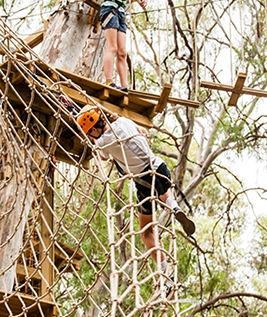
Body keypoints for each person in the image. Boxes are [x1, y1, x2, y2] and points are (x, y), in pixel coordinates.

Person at [77, 106, 196, 272]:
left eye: (90, 134)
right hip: (159, 166)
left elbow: (103, 156)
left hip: (143, 179)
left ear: (95, 129)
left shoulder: (103, 141)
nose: (90, 137)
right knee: (161, 189)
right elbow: (141, 131)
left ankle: (165, 271)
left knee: (146, 232)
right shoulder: (124, 121)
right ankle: (173, 205)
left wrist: (94, 144)